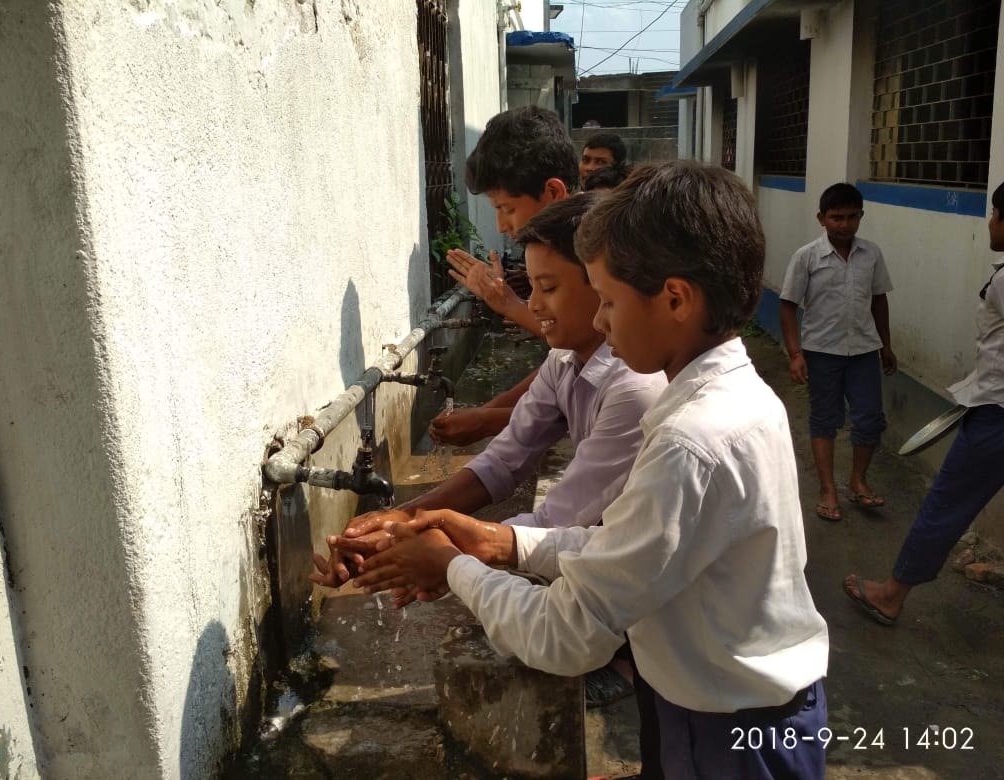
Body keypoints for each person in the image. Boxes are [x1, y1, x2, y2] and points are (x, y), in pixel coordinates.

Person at [351, 162, 830, 779]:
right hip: (715, 697)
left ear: (676, 299)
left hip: (730, 728)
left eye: (608, 301)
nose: (601, 322)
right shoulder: (731, 396)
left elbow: (568, 633)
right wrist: (498, 542)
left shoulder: (688, 440)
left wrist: (451, 566)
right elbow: (626, 546)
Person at [316, 194, 666, 707]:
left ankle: (624, 659)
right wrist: (400, 523)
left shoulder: (635, 387)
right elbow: (504, 460)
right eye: (533, 287)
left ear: (601, 287)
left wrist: (443, 558)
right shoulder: (564, 360)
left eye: (548, 288)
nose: (534, 307)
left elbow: (557, 522)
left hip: (650, 591)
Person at [843, 181, 1004, 627]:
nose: (990, 224)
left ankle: (890, 596)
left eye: (995, 215)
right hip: (990, 404)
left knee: (946, 503)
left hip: (996, 416)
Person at [434, 105, 579, 446]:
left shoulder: (595, 254)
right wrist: (487, 413)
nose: (501, 225)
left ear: (553, 192)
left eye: (507, 209)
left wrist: (487, 419)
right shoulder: (562, 244)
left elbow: (581, 356)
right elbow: (564, 365)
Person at [780, 183, 897, 522]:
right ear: (821, 218)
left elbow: (879, 300)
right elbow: (787, 306)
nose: (845, 224)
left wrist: (886, 345)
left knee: (870, 419)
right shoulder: (807, 257)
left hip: (864, 350)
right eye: (837, 217)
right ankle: (828, 489)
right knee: (825, 418)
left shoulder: (871, 254)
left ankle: (858, 481)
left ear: (861, 216)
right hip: (821, 352)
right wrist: (795, 354)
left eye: (852, 217)